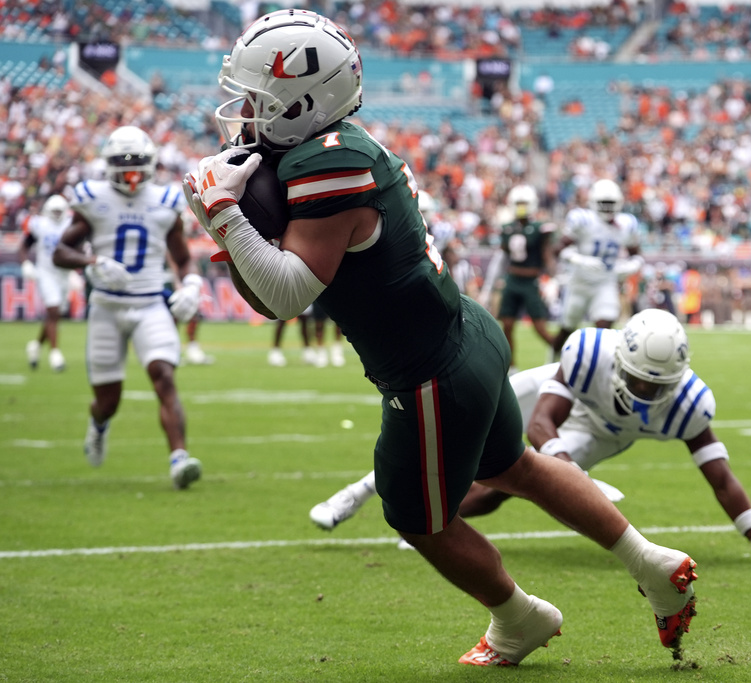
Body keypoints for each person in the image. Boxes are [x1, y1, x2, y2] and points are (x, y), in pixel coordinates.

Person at [184, 9, 698, 666]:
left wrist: (224, 214)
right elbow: (272, 291)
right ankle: (654, 564)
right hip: (466, 336)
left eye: (261, 97)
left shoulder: (324, 166)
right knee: (518, 468)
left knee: (416, 518)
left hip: (428, 373)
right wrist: (229, 225)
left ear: (302, 103)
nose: (247, 111)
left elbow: (287, 293)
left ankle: (519, 617)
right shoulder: (333, 148)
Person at [312, 309, 751, 569]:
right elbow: (542, 423)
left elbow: (720, 477)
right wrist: (572, 470)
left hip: (604, 434)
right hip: (562, 395)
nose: (647, 393)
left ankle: (434, 532)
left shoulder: (688, 404)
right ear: (621, 361)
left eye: (658, 386)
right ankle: (356, 492)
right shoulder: (590, 353)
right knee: (450, 431)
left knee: (502, 486)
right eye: (639, 380)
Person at [52, 125, 203, 489]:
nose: (131, 171)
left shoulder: (165, 201)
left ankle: (179, 458)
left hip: (151, 302)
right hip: (106, 305)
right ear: (109, 165)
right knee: (108, 401)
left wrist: (193, 285)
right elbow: (60, 251)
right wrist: (92, 264)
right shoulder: (91, 198)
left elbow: (184, 259)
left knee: (164, 376)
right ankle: (99, 424)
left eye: (137, 162)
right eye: (124, 163)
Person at [551, 178, 643, 353]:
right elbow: (558, 250)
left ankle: (597, 369)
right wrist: (580, 259)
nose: (608, 208)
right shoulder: (583, 220)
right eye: (603, 203)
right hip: (579, 283)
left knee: (605, 330)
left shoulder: (626, 224)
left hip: (605, 283)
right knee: (567, 328)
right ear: (593, 202)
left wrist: (631, 266)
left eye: (611, 204)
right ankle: (553, 360)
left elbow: (637, 255)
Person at [495, 184, 557, 372]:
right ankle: (511, 366)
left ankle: (558, 350)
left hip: (531, 281)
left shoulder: (540, 228)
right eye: (518, 203)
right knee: (507, 324)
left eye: (524, 203)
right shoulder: (507, 228)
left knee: (539, 327)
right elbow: (503, 257)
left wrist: (554, 278)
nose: (521, 207)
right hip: (512, 279)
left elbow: (547, 255)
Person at [19, 194, 73, 372]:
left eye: (60, 211)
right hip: (46, 272)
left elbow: (79, 247)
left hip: (64, 274)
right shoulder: (39, 224)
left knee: (54, 315)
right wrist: (26, 263)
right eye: (54, 211)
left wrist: (75, 272)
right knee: (54, 310)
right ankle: (55, 353)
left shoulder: (70, 224)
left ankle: (36, 345)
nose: (57, 214)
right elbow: (24, 246)